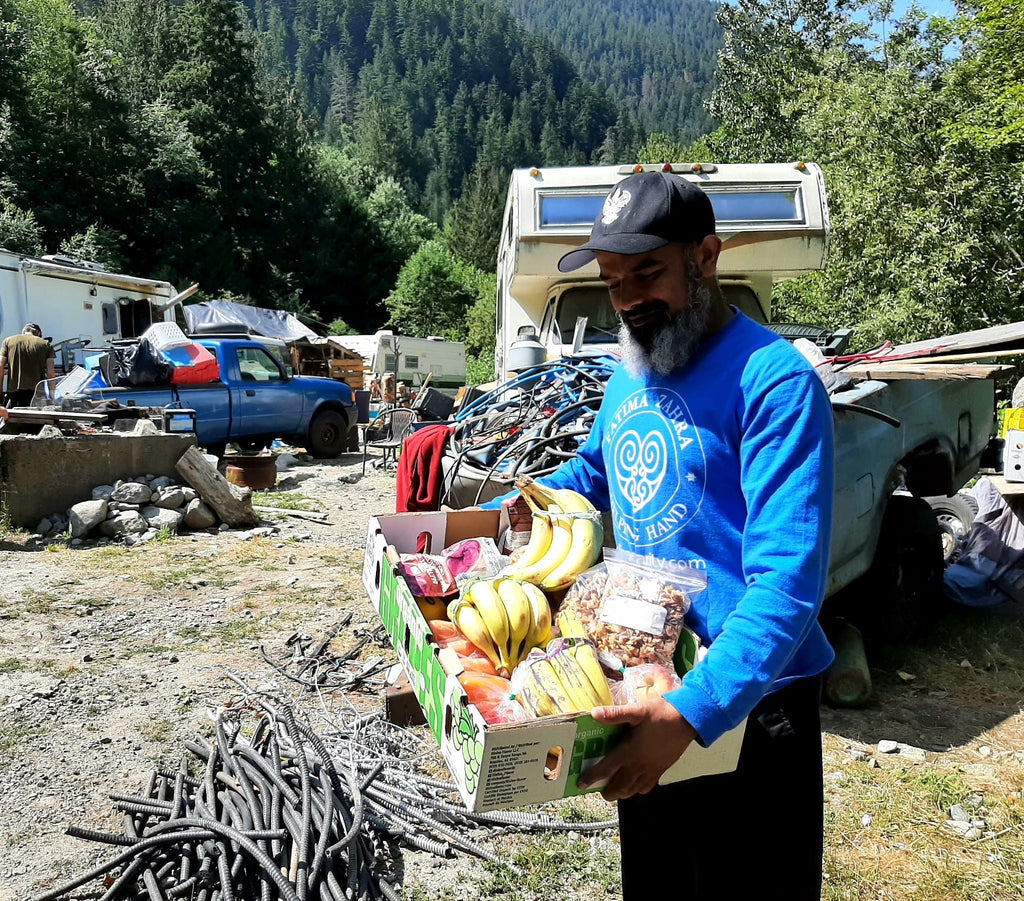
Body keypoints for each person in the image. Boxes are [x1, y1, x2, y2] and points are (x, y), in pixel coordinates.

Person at [486, 170, 835, 899]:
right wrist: (536, 502)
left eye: (647, 273)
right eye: (613, 282)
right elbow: (596, 470)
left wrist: (688, 712)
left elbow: (788, 585)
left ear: (705, 258)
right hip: (645, 681)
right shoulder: (632, 369)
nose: (629, 301)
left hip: (747, 707)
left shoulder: (774, 382)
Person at [1, 322, 56, 407]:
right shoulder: (46, 344)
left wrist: (0, 390)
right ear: (38, 333)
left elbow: (0, 365)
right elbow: (51, 374)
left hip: (14, 395)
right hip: (36, 396)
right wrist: (52, 398)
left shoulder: (8, 341)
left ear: (23, 332)